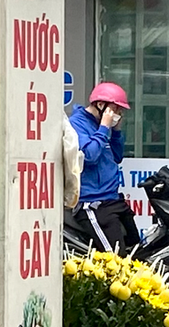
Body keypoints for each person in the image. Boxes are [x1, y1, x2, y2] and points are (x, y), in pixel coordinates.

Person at [68, 82, 140, 252]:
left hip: (113, 199)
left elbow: (117, 156)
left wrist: (116, 131)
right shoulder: (76, 124)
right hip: (93, 202)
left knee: (135, 250)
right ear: (101, 105)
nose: (118, 114)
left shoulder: (104, 125)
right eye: (116, 109)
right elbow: (90, 156)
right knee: (115, 258)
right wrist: (104, 128)